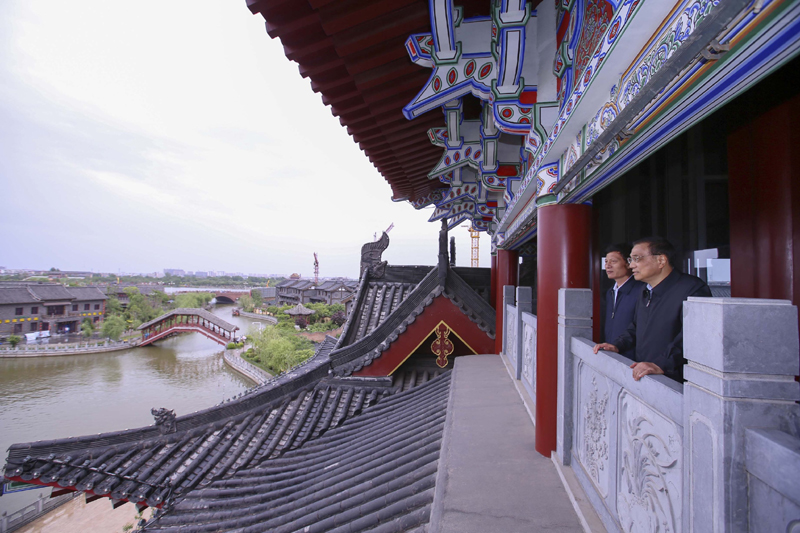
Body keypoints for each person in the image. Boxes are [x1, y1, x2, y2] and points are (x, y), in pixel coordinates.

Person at [593, 236, 711, 381]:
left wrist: (662, 364)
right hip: (645, 375)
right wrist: (616, 345)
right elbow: (635, 327)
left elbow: (694, 336)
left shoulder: (692, 289)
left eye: (637, 259)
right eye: (630, 260)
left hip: (675, 380)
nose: (631, 266)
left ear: (661, 260)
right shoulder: (645, 290)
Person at [601, 243, 644, 360]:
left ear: (628, 263)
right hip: (612, 354)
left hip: (632, 359)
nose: (608, 266)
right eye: (606, 262)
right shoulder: (610, 292)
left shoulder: (641, 291)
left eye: (613, 261)